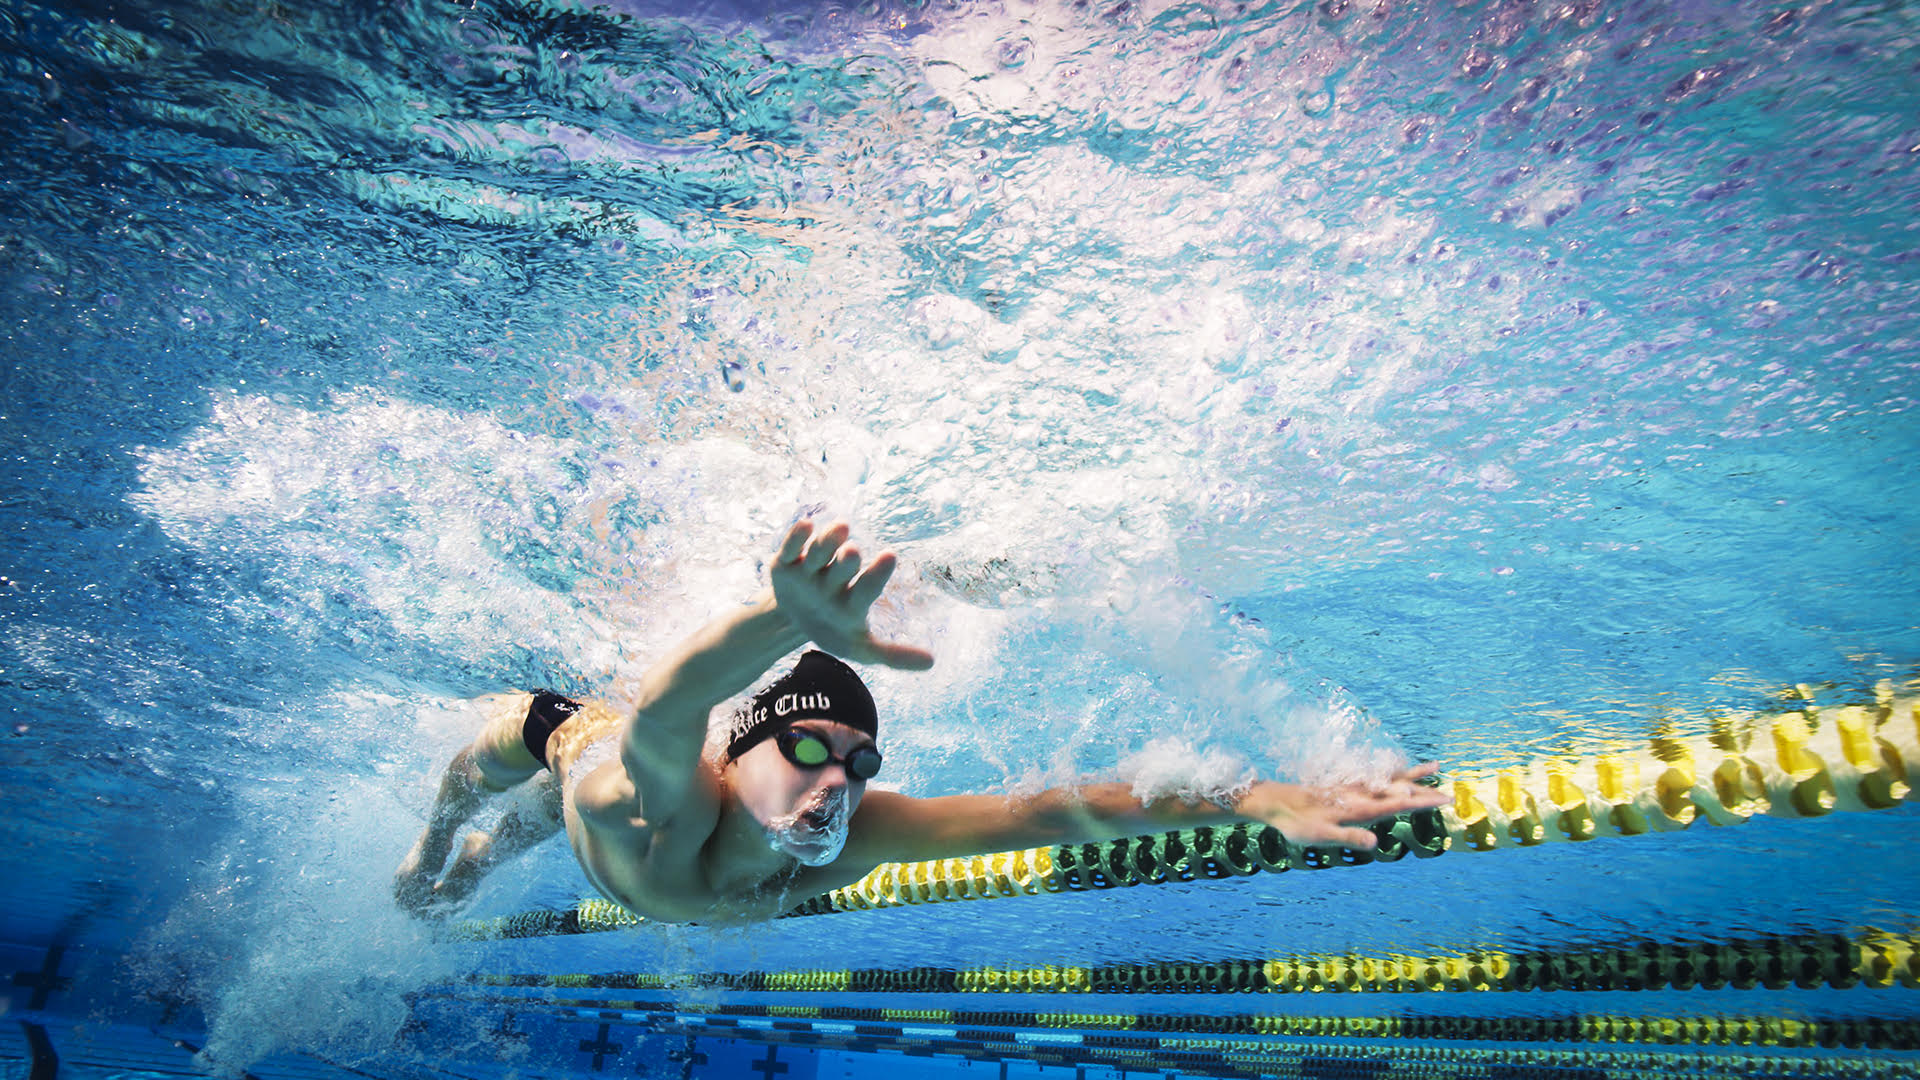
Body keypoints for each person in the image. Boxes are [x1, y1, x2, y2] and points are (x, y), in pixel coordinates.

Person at [393, 519, 1451, 924]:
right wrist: (781, 620)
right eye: (807, 748)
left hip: (613, 844)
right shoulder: (676, 796)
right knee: (480, 813)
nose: (835, 784)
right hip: (560, 733)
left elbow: (1041, 815)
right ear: (737, 751)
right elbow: (670, 705)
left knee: (524, 837)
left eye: (857, 764)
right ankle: (436, 850)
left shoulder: (854, 837)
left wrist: (1261, 797)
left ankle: (471, 860)